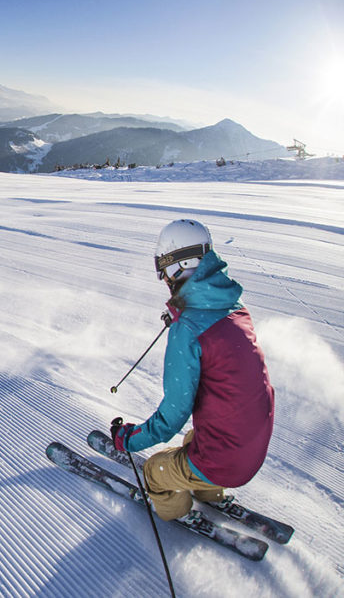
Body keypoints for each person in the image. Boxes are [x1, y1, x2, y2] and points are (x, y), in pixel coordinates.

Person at [110, 219, 275, 523]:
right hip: (253, 446)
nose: (164, 280)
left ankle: (177, 513)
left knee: (154, 471)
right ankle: (209, 491)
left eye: (164, 271)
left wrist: (128, 439)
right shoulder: (235, 307)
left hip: (227, 462)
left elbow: (172, 416)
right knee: (192, 440)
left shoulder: (188, 329)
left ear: (176, 267)